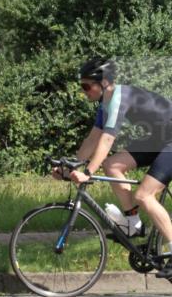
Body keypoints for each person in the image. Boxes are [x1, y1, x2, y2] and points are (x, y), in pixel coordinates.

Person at [57, 57, 172, 275]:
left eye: (86, 86)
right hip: (159, 139)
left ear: (104, 83)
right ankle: (133, 224)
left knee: (144, 195)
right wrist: (69, 168)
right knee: (112, 165)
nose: (84, 91)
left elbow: (108, 139)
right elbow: (93, 139)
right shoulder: (105, 103)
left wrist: (88, 172)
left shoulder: (119, 97)